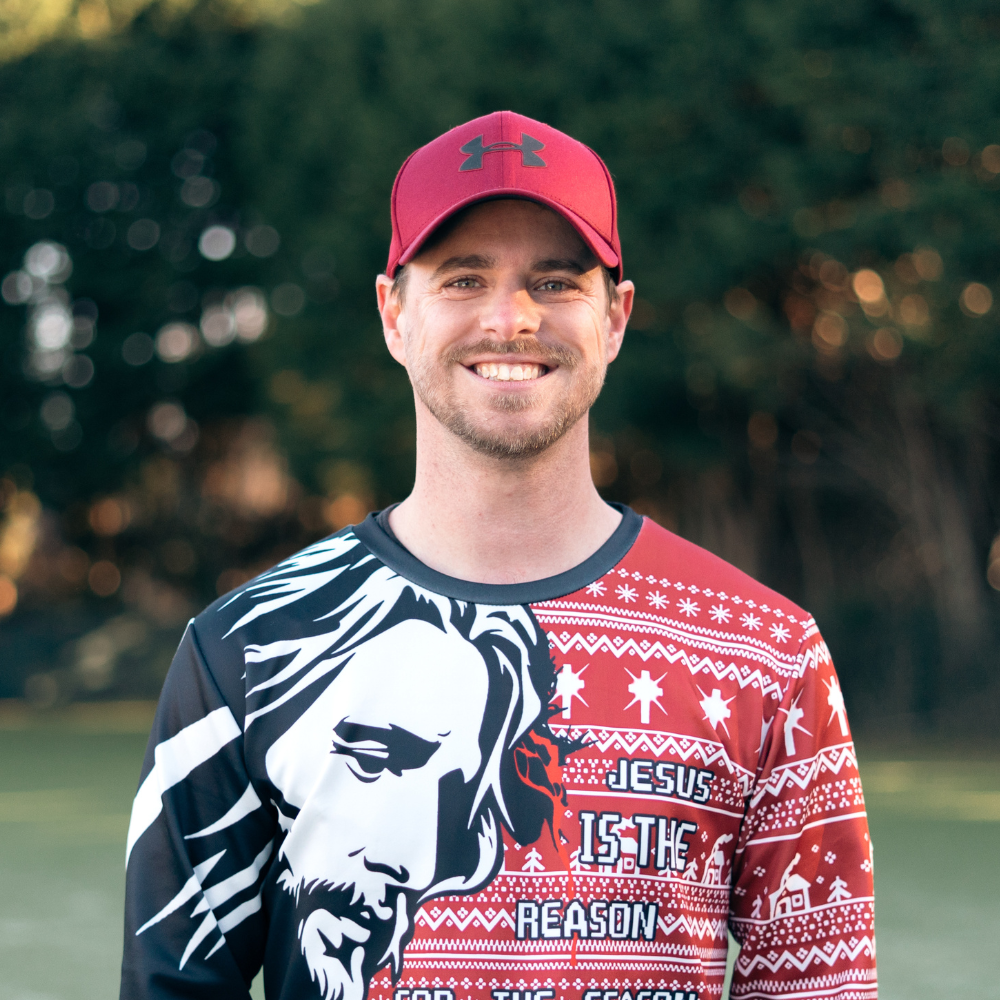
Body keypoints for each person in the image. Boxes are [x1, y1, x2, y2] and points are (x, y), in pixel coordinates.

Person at [120, 111, 877, 1000]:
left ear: (616, 318)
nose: (510, 318)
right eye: (463, 278)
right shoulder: (244, 650)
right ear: (393, 314)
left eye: (555, 281)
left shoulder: (767, 653)